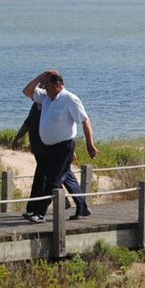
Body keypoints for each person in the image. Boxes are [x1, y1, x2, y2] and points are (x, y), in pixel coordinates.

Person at [21, 69, 97, 221]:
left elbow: (85, 121)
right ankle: (82, 208)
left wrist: (90, 144)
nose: (43, 87)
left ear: (58, 84)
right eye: (43, 84)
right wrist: (40, 76)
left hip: (64, 146)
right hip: (50, 147)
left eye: (46, 84)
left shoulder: (70, 99)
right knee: (67, 177)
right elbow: (27, 91)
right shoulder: (46, 98)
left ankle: (40, 213)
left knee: (53, 180)